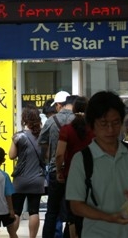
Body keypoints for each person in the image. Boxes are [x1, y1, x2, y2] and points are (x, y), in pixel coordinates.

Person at [65, 91, 128, 238]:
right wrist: (109, 217)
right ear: (92, 125)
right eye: (104, 124)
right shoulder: (82, 159)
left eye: (115, 123)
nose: (110, 129)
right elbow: (76, 206)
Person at [54, 96, 93, 238]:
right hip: (91, 176)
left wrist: (59, 171)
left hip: (71, 176)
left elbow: (59, 154)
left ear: (74, 110)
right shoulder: (93, 129)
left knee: (72, 213)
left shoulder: (67, 129)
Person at [39, 91, 75, 238]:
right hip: (74, 171)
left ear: (59, 105)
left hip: (55, 169)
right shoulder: (77, 120)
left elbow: (42, 142)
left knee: (52, 211)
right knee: (73, 210)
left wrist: (49, 157)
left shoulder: (51, 121)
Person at [9, 107, 46, 238]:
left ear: (24, 119)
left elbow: (11, 155)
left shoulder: (18, 136)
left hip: (21, 179)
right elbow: (46, 156)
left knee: (16, 211)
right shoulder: (43, 136)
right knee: (34, 211)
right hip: (37, 179)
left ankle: (13, 236)